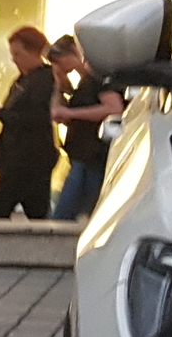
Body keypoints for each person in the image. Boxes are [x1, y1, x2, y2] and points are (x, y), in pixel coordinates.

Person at [0, 25, 57, 220]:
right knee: (35, 213)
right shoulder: (23, 79)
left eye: (18, 54)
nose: (14, 59)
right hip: (15, 156)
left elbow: (35, 117)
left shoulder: (44, 80)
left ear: (32, 52)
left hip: (29, 159)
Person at [50, 34, 124, 219]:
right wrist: (60, 86)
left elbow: (114, 108)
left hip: (92, 155)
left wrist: (71, 114)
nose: (58, 67)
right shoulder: (83, 83)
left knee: (66, 213)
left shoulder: (97, 78)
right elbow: (61, 113)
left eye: (59, 62)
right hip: (81, 154)